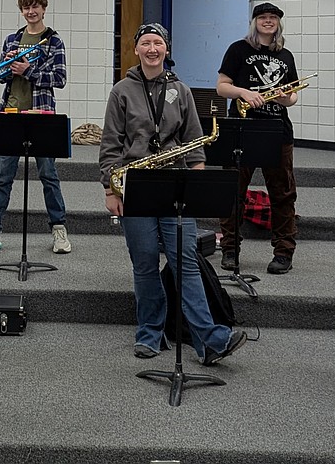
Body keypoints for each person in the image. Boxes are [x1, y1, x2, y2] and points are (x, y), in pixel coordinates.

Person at [100, 23, 246, 364]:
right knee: (145, 262)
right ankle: (149, 333)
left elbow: (195, 142)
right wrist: (111, 189)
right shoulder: (121, 91)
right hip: (134, 183)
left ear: (166, 49)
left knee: (187, 263)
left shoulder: (181, 90)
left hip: (176, 183)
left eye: (158, 43)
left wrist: (196, 185)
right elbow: (110, 146)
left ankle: (209, 339)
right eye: (146, 43)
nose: (152, 49)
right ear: (136, 49)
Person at [0, 0, 71, 255]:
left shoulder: (53, 41)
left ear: (44, 8)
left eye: (35, 7)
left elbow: (60, 78)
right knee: (2, 177)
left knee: (49, 176)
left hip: (41, 115)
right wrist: (8, 67)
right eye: (26, 8)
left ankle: (59, 229)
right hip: (10, 114)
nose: (31, 12)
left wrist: (28, 70)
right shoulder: (12, 39)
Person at [215, 1, 300, 275]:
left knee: (283, 194)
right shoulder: (238, 49)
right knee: (232, 191)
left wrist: (287, 97)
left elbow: (293, 96)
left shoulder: (285, 55)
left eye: (273, 17)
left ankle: (283, 252)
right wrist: (244, 93)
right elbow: (221, 87)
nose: (268, 21)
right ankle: (230, 249)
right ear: (255, 22)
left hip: (278, 131)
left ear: (278, 23)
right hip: (242, 128)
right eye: (263, 17)